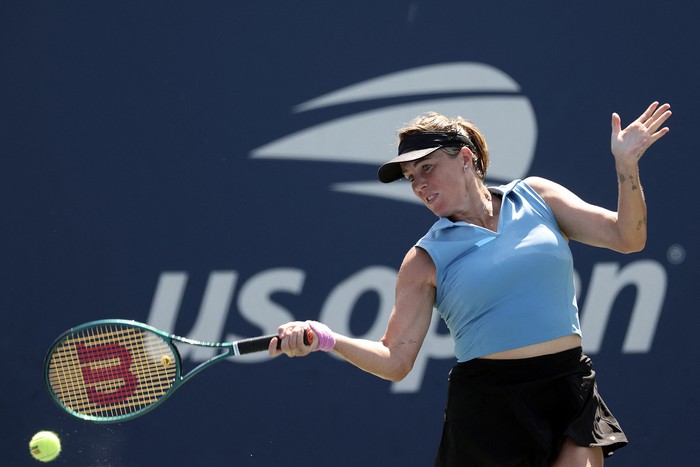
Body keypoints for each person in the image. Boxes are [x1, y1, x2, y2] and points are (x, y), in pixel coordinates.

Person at [269, 102, 672, 466]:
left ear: (465, 158)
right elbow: (395, 361)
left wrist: (626, 166)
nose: (419, 185)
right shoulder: (423, 259)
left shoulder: (537, 197)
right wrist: (326, 339)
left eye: (427, 167)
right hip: (490, 411)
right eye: (411, 177)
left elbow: (627, 237)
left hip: (568, 386)